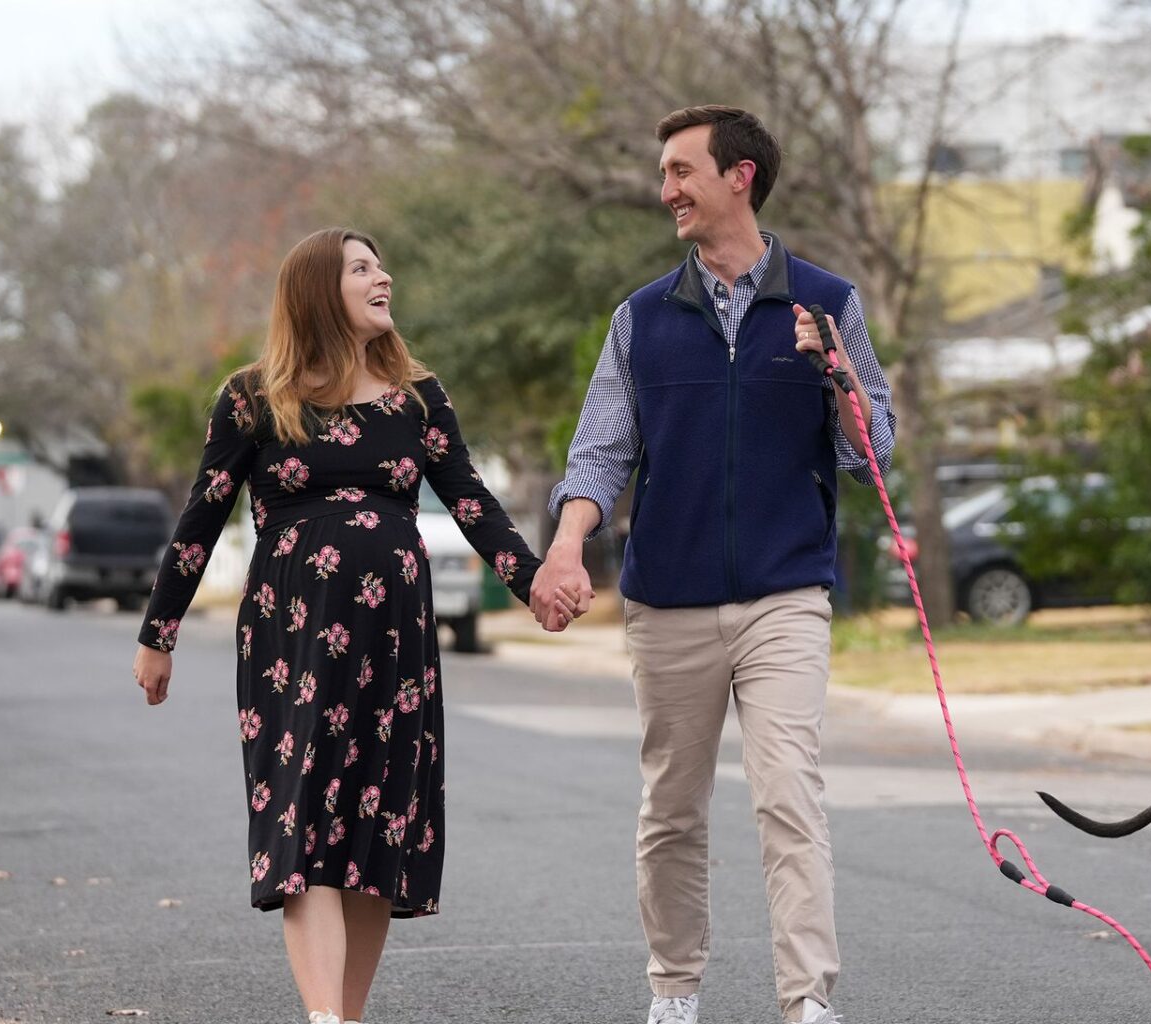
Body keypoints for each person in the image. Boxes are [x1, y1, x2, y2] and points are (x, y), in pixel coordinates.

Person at [130, 227, 573, 1024]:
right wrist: (157, 634)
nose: (384, 277)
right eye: (361, 268)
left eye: (380, 265)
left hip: (396, 643)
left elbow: (471, 501)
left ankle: (347, 1016)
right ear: (315, 292)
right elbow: (201, 519)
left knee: (376, 833)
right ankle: (322, 1019)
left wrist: (532, 581)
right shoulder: (253, 396)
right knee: (304, 829)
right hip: (293, 641)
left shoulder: (418, 396)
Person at [535, 106, 896, 1024]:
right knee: (673, 810)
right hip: (669, 603)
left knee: (788, 793)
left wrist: (835, 376)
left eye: (681, 171)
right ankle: (675, 990)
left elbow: (873, 449)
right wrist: (569, 543)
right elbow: (599, 453)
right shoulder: (643, 319)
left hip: (786, 593)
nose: (667, 192)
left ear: (739, 176)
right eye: (664, 174)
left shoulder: (827, 302)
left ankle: (808, 1000)